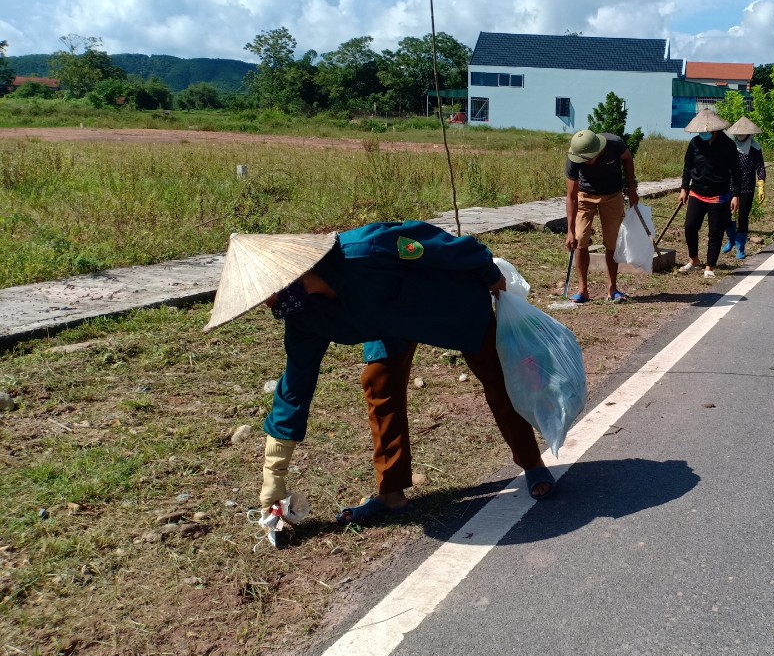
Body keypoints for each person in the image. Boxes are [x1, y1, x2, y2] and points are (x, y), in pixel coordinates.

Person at [202, 222, 558, 541]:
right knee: (379, 384)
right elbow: (294, 389)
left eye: (271, 292)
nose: (269, 304)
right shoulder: (304, 316)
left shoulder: (366, 249)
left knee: (496, 381)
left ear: (294, 273)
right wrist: (273, 477)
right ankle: (391, 494)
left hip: (448, 306)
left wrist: (486, 274)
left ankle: (532, 463)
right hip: (389, 327)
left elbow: (445, 246)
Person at [564, 129, 640, 304]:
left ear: (598, 152)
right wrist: (570, 231)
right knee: (580, 239)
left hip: (612, 195)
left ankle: (612, 288)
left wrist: (632, 188)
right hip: (585, 196)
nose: (583, 162)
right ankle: (583, 291)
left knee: (612, 241)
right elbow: (571, 196)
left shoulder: (615, 144)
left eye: (586, 159)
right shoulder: (575, 157)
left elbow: (628, 158)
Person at [677, 107, 740, 279]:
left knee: (715, 232)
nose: (703, 134)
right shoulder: (695, 143)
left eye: (707, 131)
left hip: (719, 195)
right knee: (690, 226)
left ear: (715, 130)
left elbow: (736, 171)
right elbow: (687, 167)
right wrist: (684, 188)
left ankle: (709, 266)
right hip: (697, 192)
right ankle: (694, 259)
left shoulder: (728, 145)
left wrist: (735, 195)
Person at [722, 116, 766, 261]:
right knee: (727, 215)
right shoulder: (730, 147)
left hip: (747, 188)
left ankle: (740, 248)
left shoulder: (755, 148)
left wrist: (761, 185)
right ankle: (731, 239)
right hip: (729, 186)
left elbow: (760, 167)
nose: (741, 135)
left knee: (742, 217)